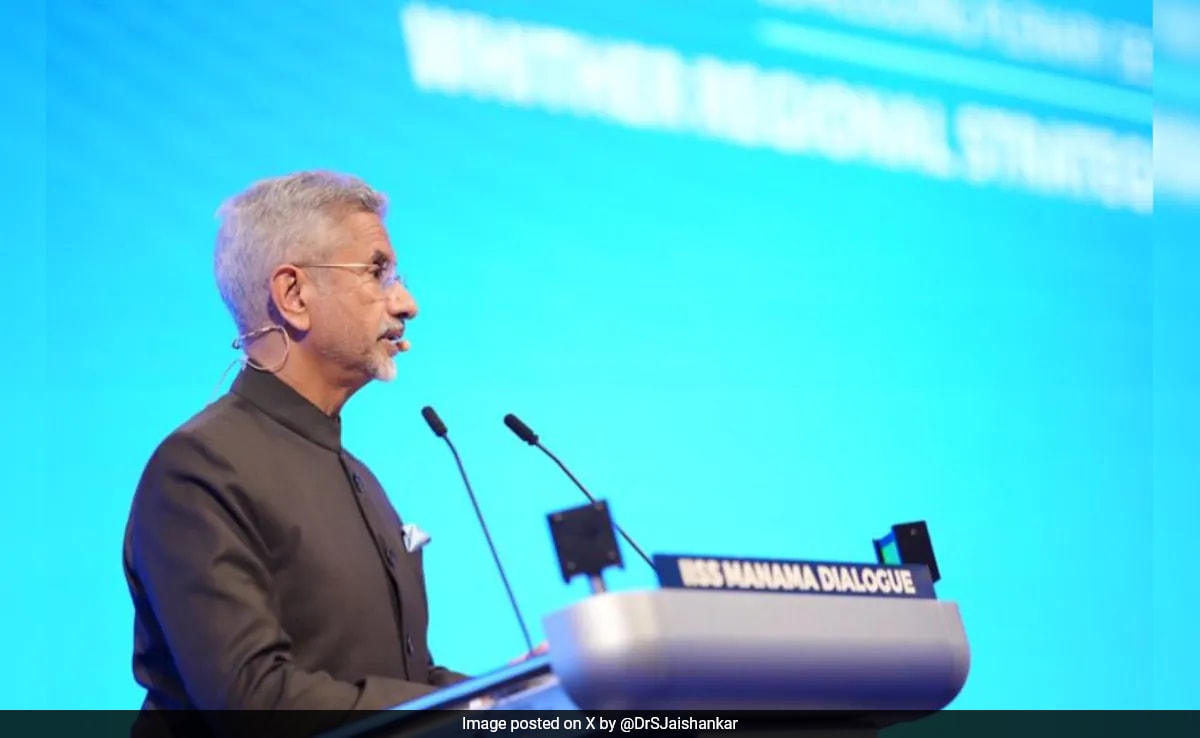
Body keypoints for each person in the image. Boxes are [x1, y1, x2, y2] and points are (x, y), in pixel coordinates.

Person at [122, 171, 470, 735]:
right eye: (377, 271)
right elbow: (256, 702)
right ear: (293, 295)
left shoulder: (359, 478)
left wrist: (524, 695)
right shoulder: (198, 470)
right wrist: (474, 713)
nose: (407, 303)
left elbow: (399, 679)